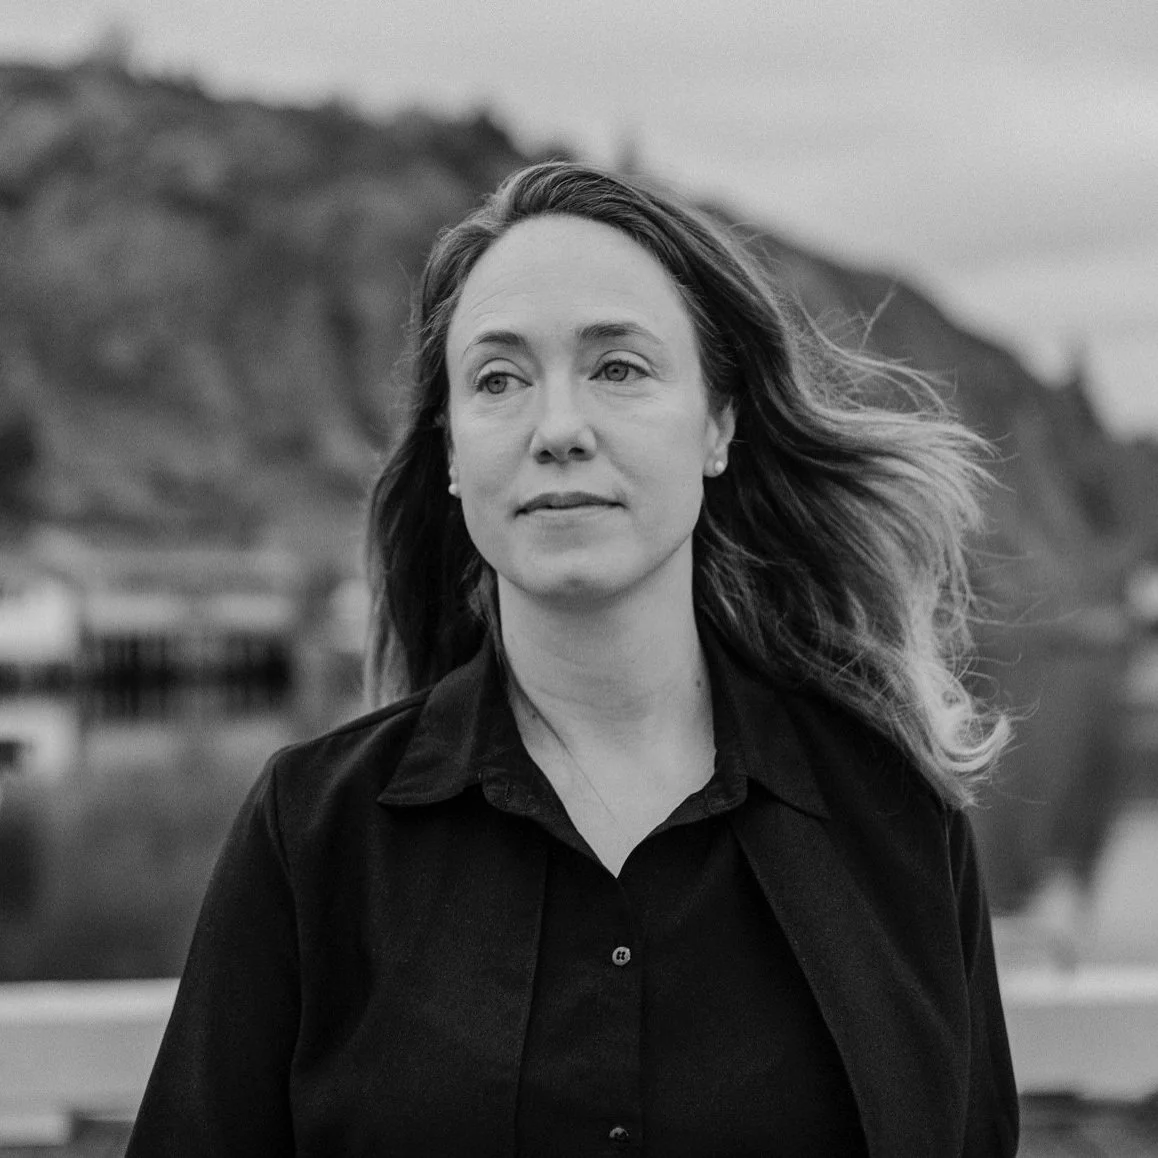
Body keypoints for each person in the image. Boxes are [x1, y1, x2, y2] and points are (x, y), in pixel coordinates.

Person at [126, 161, 1018, 1157]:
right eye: (499, 380)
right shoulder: (311, 835)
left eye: (618, 368)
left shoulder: (896, 815)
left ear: (717, 423)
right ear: (452, 453)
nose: (558, 430)